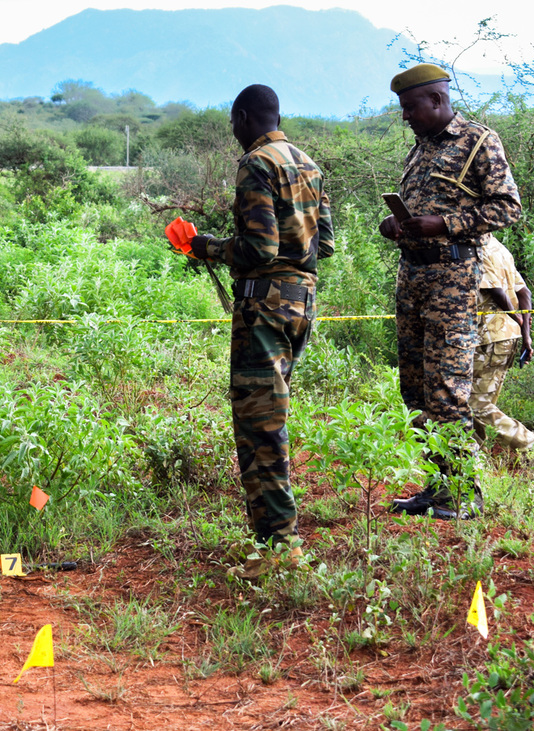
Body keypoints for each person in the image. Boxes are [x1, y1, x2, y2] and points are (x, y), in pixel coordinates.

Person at [188, 84, 334, 579]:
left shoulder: (256, 164)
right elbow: (325, 244)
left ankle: (279, 549)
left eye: (233, 123)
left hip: (265, 304)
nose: (234, 133)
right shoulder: (307, 162)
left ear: (244, 117)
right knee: (270, 414)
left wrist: (206, 247)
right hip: (302, 302)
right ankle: (277, 542)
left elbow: (259, 250)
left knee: (260, 423)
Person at [379, 64, 523, 520]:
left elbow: (507, 207)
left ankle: (464, 495)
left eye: (410, 107)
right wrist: (398, 226)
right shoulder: (419, 151)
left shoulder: (480, 142)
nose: (405, 116)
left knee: (447, 391)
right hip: (414, 278)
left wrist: (443, 224)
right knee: (416, 390)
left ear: (437, 100)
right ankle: (439, 488)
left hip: (453, 280)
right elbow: (420, 212)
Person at [471, 236, 534, 450]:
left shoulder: (479, 248)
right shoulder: (499, 247)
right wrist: (526, 335)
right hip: (506, 338)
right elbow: (524, 291)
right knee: (479, 405)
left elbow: (495, 291)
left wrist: (516, 318)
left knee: (476, 405)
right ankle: (470, 462)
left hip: (489, 337)